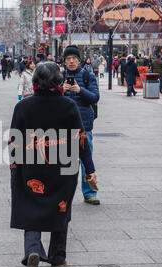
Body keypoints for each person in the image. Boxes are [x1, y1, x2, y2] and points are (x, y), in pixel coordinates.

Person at [9, 62, 97, 267]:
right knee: (61, 209)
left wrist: (14, 169)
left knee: (30, 208)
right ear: (58, 81)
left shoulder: (23, 107)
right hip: (63, 168)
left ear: (36, 81)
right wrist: (90, 169)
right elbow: (81, 138)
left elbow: (14, 141)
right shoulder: (68, 105)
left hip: (31, 165)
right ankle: (57, 258)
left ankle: (32, 249)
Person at [63, 45, 100, 206]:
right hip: (64, 125)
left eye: (74, 59)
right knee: (68, 163)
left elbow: (94, 97)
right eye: (68, 59)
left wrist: (79, 90)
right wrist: (61, 90)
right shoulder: (59, 76)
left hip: (84, 125)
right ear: (64, 62)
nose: (71, 61)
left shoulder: (87, 75)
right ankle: (65, 194)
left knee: (87, 160)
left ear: (79, 60)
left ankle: (90, 193)